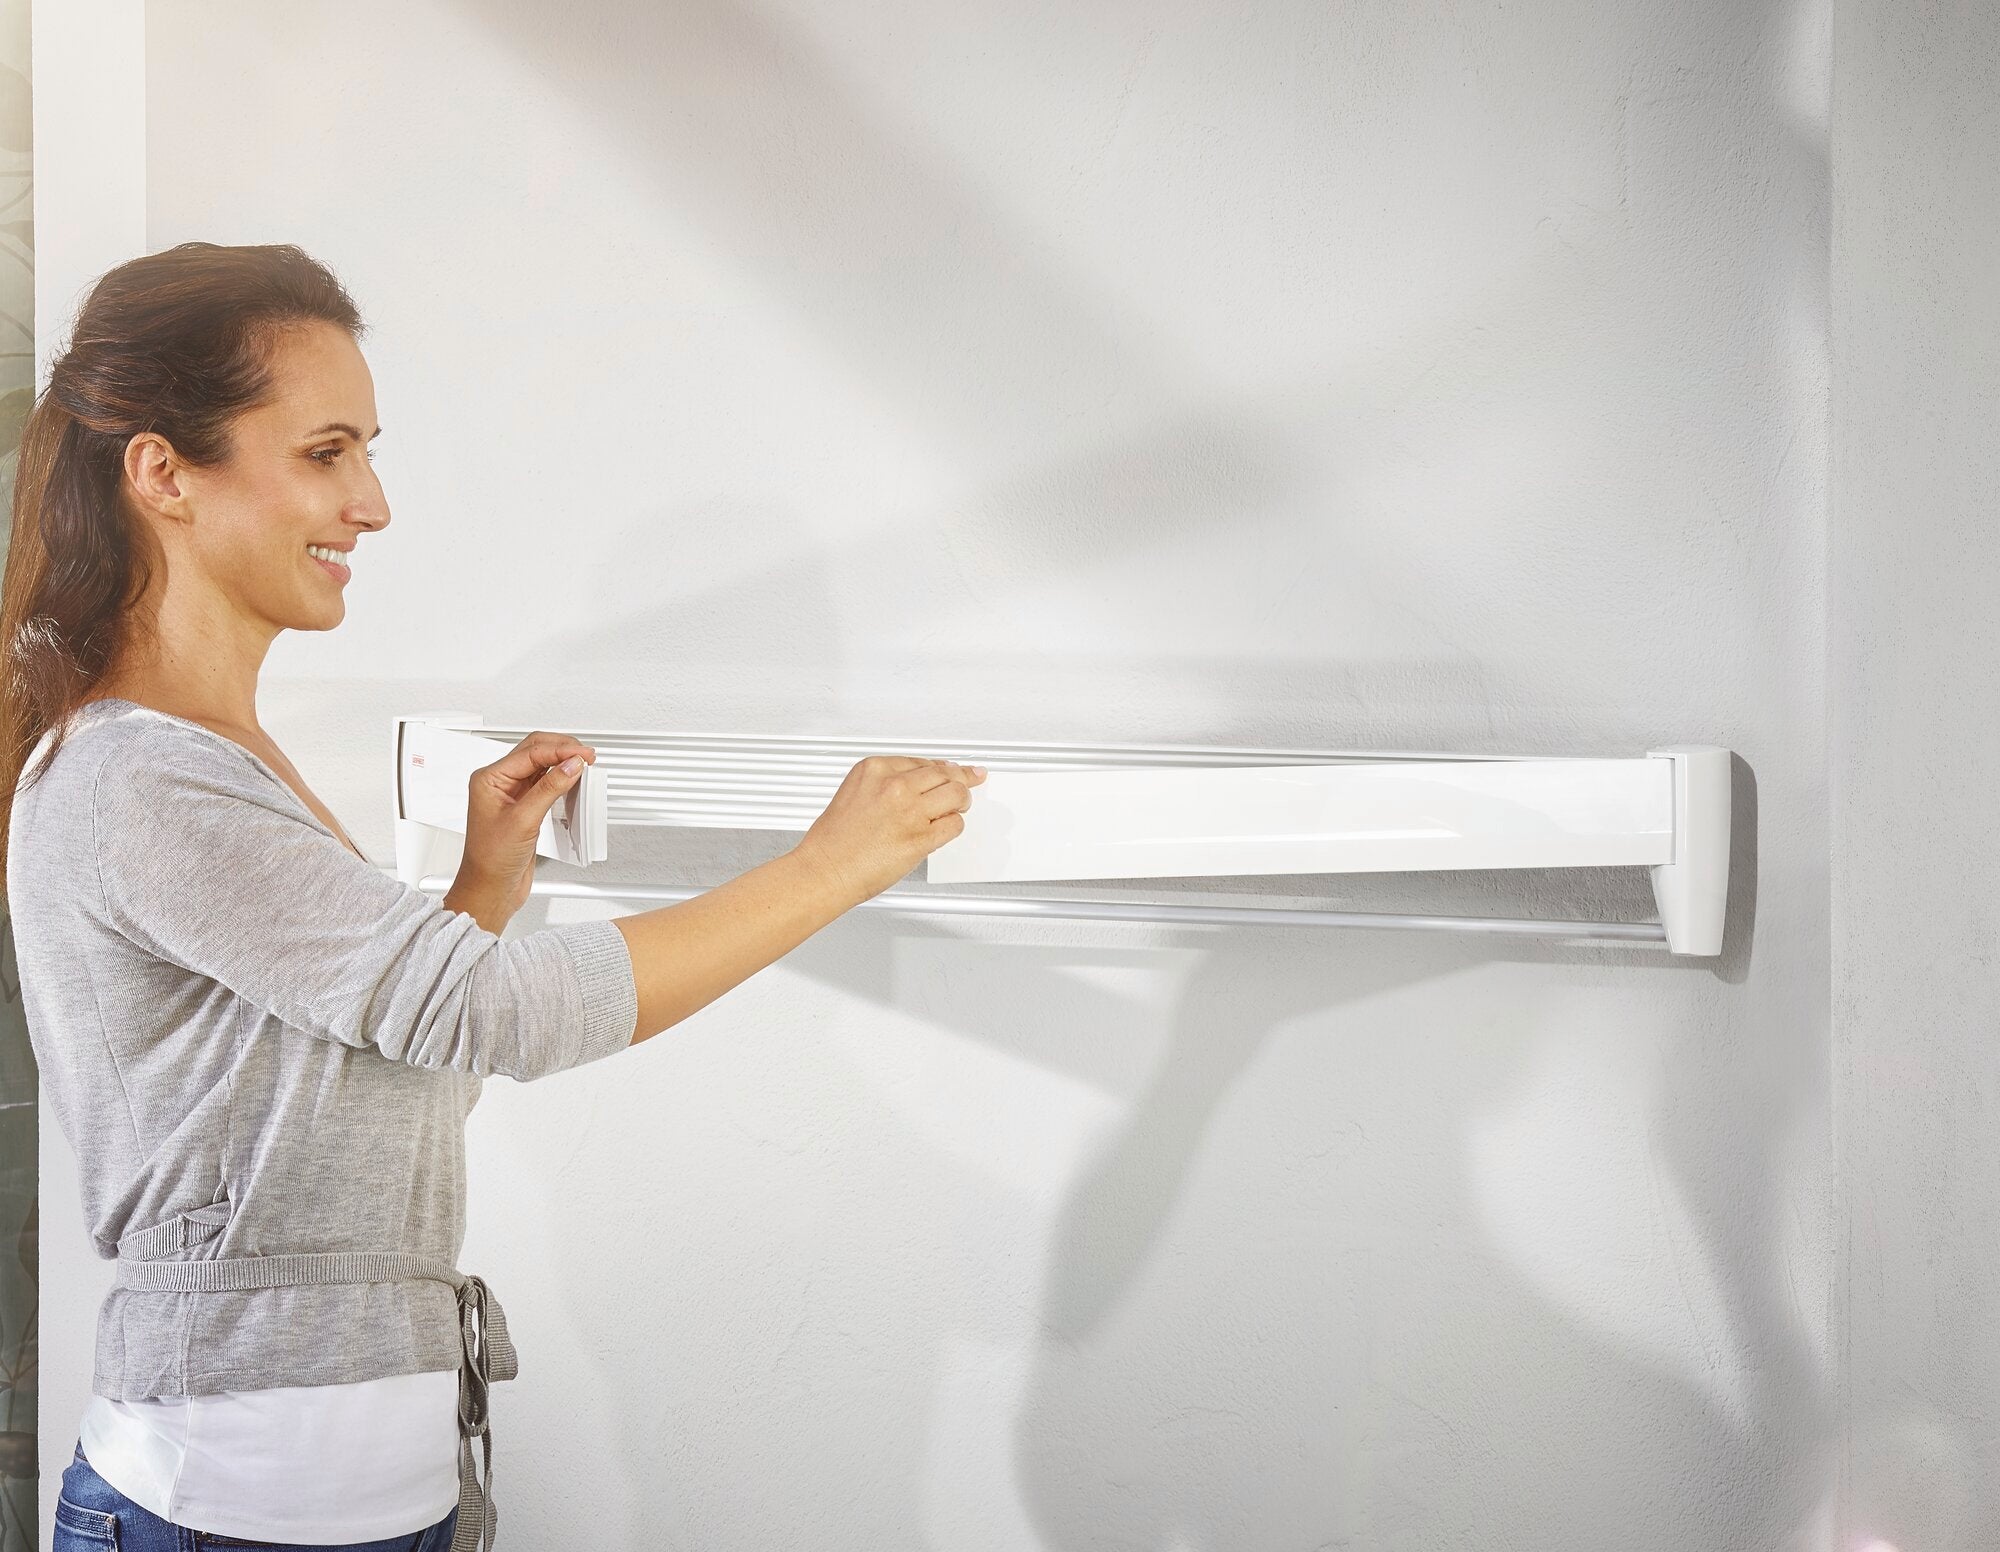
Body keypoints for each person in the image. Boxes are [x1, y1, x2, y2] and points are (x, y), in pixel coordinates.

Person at [1, 241, 984, 1552]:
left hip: (387, 1503)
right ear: (165, 473)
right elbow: (493, 1018)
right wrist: (830, 866)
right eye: (326, 452)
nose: (374, 504)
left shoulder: (222, 762)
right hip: (223, 1512)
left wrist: (481, 888)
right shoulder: (140, 776)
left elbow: (382, 1079)